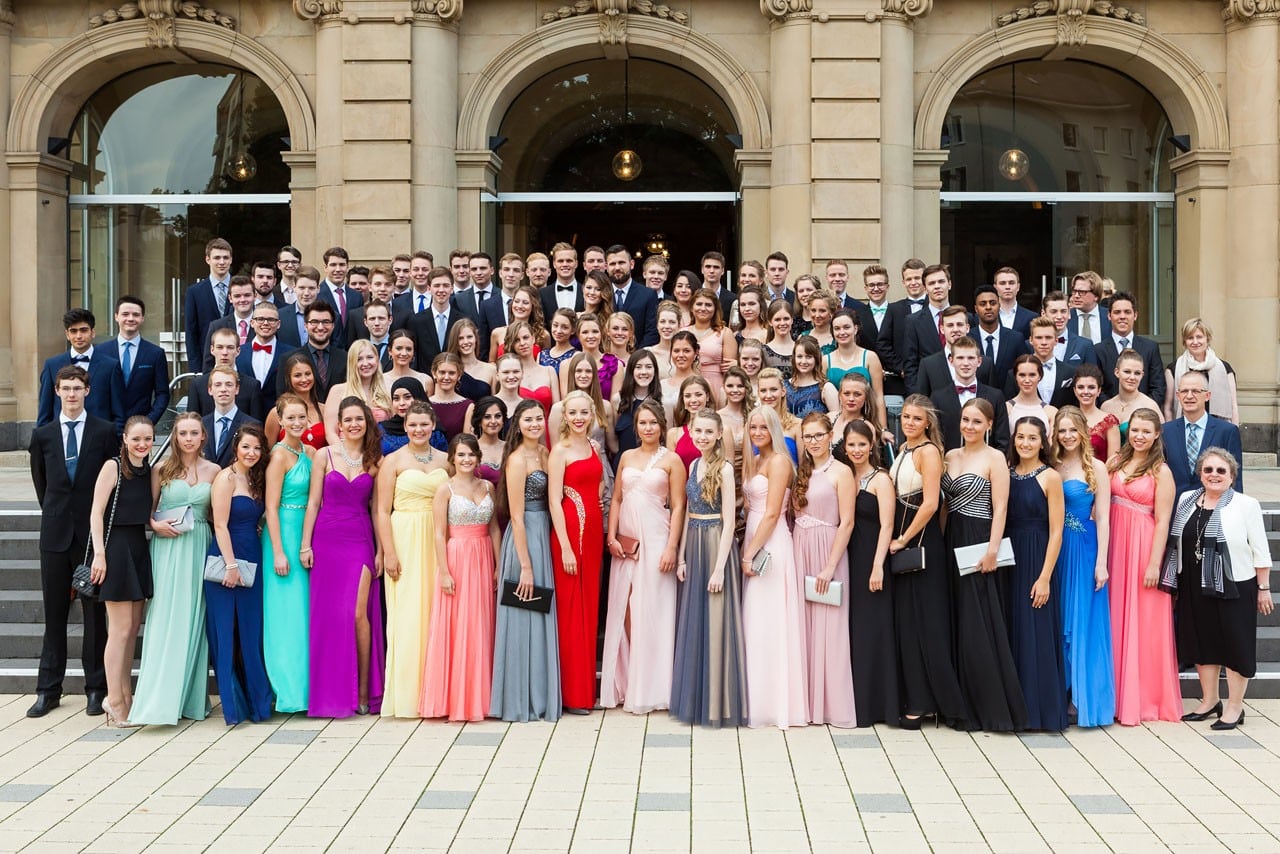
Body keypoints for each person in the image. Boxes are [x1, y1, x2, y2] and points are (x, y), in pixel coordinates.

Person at [27, 366, 115, 718]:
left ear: (87, 391)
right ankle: (49, 689)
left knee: (94, 616)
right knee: (54, 615)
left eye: (77, 388)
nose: (72, 394)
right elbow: (41, 485)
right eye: (65, 388)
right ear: (57, 392)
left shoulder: (105, 431)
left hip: (90, 537)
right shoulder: (43, 435)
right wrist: (56, 515)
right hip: (54, 536)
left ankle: (96, 688)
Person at [1168, 448, 1272, 731]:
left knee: (1235, 645)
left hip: (1234, 585)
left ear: (1232, 476)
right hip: (1192, 583)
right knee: (1202, 642)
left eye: (1220, 471)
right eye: (1208, 470)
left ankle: (1235, 706)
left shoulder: (1245, 504)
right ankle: (1210, 700)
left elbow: (1260, 550)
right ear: (1200, 473)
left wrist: (1263, 588)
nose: (1214, 475)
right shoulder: (1186, 499)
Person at [941, 400, 1026, 732]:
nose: (969, 426)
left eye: (977, 421)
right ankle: (958, 702)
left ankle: (988, 707)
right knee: (957, 620)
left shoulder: (995, 459)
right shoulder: (949, 456)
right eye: (965, 419)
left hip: (980, 539)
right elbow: (946, 506)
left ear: (990, 424)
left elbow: (1001, 507)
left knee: (979, 623)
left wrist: (992, 550)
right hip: (952, 541)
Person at [130, 413, 219, 725]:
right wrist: (155, 525)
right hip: (168, 548)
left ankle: (190, 699)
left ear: (203, 437)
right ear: (175, 437)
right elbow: (149, 512)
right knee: (166, 617)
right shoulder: (161, 470)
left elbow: (217, 516)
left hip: (199, 545)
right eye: (183, 433)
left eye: (194, 433)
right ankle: (159, 700)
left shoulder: (215, 471)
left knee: (194, 617)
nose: (189, 438)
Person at [301, 398, 385, 718]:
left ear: (367, 423)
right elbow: (313, 503)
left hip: (360, 539)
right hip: (327, 538)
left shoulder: (376, 460)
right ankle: (334, 693)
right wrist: (305, 545)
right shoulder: (324, 455)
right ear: (339, 424)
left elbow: (378, 510)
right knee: (331, 618)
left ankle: (363, 691)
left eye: (359, 419)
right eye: (347, 419)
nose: (353, 424)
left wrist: (380, 550)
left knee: (357, 614)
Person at [601, 400, 686, 712]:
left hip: (656, 537)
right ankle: (630, 678)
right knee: (625, 607)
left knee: (653, 608)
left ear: (661, 426)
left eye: (653, 422)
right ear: (635, 427)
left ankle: (655, 684)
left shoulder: (672, 460)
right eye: (642, 423)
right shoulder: (626, 456)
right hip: (626, 542)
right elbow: (618, 499)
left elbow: (678, 506)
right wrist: (610, 536)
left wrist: (672, 548)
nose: (648, 428)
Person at [890, 395, 968, 729]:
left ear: (927, 423)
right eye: (905, 416)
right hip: (903, 538)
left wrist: (903, 538)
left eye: (916, 418)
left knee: (927, 624)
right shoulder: (904, 450)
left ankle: (935, 703)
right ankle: (917, 697)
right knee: (908, 624)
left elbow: (931, 504)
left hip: (920, 543)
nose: (909, 422)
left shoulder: (929, 452)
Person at [670, 409, 747, 727]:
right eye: (697, 431)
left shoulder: (726, 469)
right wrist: (683, 556)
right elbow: (688, 513)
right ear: (690, 431)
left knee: (717, 621)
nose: (702, 437)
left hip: (717, 543)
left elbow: (730, 522)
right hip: (695, 542)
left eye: (708, 432)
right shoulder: (692, 464)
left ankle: (718, 703)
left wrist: (719, 569)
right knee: (696, 619)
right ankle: (696, 697)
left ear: (719, 435)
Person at [420, 435, 501, 721]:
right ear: (452, 458)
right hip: (457, 557)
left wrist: (498, 564)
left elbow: (493, 528)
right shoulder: (445, 490)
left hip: (482, 556)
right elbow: (439, 533)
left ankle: (482, 695)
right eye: (461, 455)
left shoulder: (488, 487)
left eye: (471, 455)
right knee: (459, 625)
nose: (466, 460)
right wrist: (444, 571)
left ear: (478, 458)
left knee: (481, 623)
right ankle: (457, 699)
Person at [1107, 407, 1180, 724]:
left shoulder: (1161, 471)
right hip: (1115, 544)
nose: (1138, 436)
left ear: (1156, 435)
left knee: (1144, 624)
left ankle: (1145, 699)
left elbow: (1164, 520)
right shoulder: (1116, 462)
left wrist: (1155, 563)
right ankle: (1115, 695)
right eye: (1134, 430)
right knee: (1115, 618)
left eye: (1145, 432)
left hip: (1143, 545)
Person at [490, 399, 562, 722]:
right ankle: (521, 699)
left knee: (542, 614)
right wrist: (527, 566)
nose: (535, 424)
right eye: (528, 419)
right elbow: (516, 517)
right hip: (525, 538)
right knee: (525, 615)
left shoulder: (545, 453)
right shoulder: (517, 460)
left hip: (544, 532)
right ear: (517, 423)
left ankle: (542, 692)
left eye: (539, 418)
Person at [375, 400, 447, 717]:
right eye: (413, 424)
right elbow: (381, 510)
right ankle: (407, 695)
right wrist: (389, 551)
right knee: (407, 615)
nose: (418, 429)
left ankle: (436, 693)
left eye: (424, 424)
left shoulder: (447, 460)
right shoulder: (392, 461)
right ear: (405, 427)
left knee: (436, 614)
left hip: (438, 538)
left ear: (433, 427)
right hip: (404, 535)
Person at [742, 406, 808, 728]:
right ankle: (756, 697)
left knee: (770, 620)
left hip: (771, 544)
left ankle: (774, 703)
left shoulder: (780, 461)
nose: (757, 433)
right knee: (756, 621)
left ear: (774, 430)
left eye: (763, 428)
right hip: (755, 539)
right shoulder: (756, 460)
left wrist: (750, 553)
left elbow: (771, 514)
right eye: (753, 427)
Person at [1051, 406, 1116, 728]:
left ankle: (1082, 698)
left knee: (1081, 622)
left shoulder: (1097, 468)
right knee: (1058, 618)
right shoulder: (1051, 464)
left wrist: (1102, 562)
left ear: (1082, 433)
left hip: (1085, 549)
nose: (1066, 436)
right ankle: (1058, 693)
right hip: (1054, 549)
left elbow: (1103, 516)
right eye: (1061, 431)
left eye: (1072, 430)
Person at [87, 416, 154, 727]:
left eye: (148, 439)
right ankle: (113, 699)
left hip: (138, 549)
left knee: (132, 631)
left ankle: (126, 694)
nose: (142, 445)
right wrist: (99, 554)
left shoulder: (148, 471)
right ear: (125, 439)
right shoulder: (112, 466)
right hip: (115, 549)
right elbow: (96, 512)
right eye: (136, 439)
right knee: (120, 630)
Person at [206, 424, 273, 725]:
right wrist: (230, 565)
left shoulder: (256, 477)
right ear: (236, 448)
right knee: (225, 631)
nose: (252, 453)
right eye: (247, 447)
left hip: (253, 555)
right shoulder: (226, 478)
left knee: (250, 630)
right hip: (227, 557)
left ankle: (257, 704)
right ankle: (233, 707)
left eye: (257, 448)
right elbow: (219, 524)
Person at [793, 413, 857, 728]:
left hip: (827, 549)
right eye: (808, 436)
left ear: (831, 435)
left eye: (819, 435)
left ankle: (831, 705)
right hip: (799, 547)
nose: (814, 441)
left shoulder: (841, 472)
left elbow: (847, 521)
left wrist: (831, 565)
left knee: (829, 627)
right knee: (802, 626)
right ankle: (804, 701)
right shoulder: (801, 470)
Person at [1006, 416, 1069, 731]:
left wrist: (1045, 577)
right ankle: (1013, 708)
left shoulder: (1050, 478)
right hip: (1009, 558)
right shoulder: (1006, 474)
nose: (1025, 443)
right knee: (1012, 629)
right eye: (1020, 437)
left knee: (1036, 631)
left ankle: (1039, 711)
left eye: (1032, 438)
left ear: (1042, 441)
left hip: (1037, 557)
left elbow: (1057, 531)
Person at [548, 390, 606, 714]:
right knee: (571, 610)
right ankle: (573, 695)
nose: (580, 418)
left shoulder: (593, 446)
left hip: (594, 530)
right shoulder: (560, 451)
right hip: (572, 532)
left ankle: (587, 691)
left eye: (585, 412)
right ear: (565, 416)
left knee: (589, 607)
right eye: (574, 413)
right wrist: (566, 547)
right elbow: (554, 500)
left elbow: (595, 485)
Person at [840, 419, 900, 727]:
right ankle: (854, 702)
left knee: (873, 630)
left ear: (871, 445)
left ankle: (877, 705)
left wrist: (878, 565)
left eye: (862, 444)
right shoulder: (844, 474)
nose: (856, 450)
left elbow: (888, 525)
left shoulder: (880, 479)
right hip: (847, 558)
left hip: (871, 559)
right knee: (852, 631)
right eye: (851, 444)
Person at [260, 395, 315, 715]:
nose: (296, 423)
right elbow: (269, 506)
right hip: (282, 534)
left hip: (305, 536)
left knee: (304, 615)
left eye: (301, 417)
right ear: (280, 421)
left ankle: (308, 685)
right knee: (286, 616)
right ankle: (288, 690)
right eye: (290, 418)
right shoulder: (278, 455)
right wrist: (279, 552)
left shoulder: (309, 452)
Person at [37, 307, 124, 433]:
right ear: (67, 334)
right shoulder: (52, 365)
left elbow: (119, 413)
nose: (78, 336)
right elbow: (44, 411)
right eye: (73, 331)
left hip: (99, 441)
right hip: (61, 440)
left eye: (83, 330)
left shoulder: (110, 366)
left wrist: (113, 441)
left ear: (92, 332)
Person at [1161, 370, 1244, 496]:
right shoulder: (1165, 431)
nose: (1189, 396)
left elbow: (1235, 479)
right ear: (1177, 395)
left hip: (1214, 508)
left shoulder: (1227, 431)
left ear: (1207, 395)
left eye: (1195, 391)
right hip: (1175, 509)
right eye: (1184, 391)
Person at [99, 295, 170, 423]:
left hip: (141, 429)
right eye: (125, 314)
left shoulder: (155, 353)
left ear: (142, 318)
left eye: (136, 315)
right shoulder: (100, 352)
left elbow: (163, 394)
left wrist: (148, 421)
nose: (130, 318)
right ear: (116, 316)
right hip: (107, 428)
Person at [1094, 291, 1166, 404]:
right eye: (1117, 312)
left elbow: (1158, 388)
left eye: (1127, 312)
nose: (1122, 316)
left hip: (1144, 416)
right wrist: (1113, 411)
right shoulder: (1098, 350)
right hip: (1110, 416)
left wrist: (1141, 411)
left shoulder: (1150, 348)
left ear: (1135, 315)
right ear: (1109, 316)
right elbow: (1097, 387)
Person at [1163, 318, 1239, 424]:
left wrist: (1234, 433)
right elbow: (1168, 408)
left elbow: (1233, 406)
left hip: (1218, 431)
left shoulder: (1225, 369)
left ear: (1207, 339)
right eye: (1190, 338)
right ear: (1184, 341)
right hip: (1184, 429)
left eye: (1199, 337)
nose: (1195, 342)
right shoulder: (1173, 369)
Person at [322, 340, 392, 441]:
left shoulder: (387, 391)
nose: (365, 363)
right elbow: (330, 433)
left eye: (370, 357)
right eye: (359, 359)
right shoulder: (338, 391)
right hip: (345, 451)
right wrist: (345, 455)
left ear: (377, 360)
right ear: (352, 362)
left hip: (380, 452)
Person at [551, 353, 618, 458]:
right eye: (578, 371)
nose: (583, 375)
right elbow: (555, 451)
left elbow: (614, 446)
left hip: (600, 464)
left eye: (588, 371)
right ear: (572, 374)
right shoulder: (558, 409)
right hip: (571, 467)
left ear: (594, 374)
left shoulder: (605, 406)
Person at [183, 237, 234, 370]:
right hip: (206, 362)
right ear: (208, 259)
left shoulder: (243, 289)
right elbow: (191, 332)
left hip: (238, 360)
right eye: (217, 258)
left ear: (231, 260)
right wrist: (195, 369)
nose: (222, 262)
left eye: (225, 257)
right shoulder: (194, 292)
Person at [821, 310, 884, 413]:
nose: (842, 332)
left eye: (846, 327)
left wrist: (883, 428)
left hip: (866, 418)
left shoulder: (870, 357)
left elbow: (878, 397)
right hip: (836, 420)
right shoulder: (825, 361)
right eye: (837, 328)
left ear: (855, 329)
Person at [264, 351, 327, 450]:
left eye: (308, 374)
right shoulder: (276, 413)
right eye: (297, 375)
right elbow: (268, 452)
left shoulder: (324, 409)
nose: (304, 379)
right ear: (289, 378)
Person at [201, 367, 262, 469]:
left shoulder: (253, 425)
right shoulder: (201, 424)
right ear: (210, 390)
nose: (223, 389)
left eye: (229, 384)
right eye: (218, 385)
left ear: (237, 389)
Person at [1100, 349, 1162, 444]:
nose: (1132, 377)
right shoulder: (1106, 406)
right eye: (1127, 372)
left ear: (1142, 375)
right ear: (1117, 372)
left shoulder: (1150, 406)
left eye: (1137, 373)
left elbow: (1162, 444)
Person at [690, 288, 736, 405]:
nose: (703, 308)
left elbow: (730, 370)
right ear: (692, 307)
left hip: (717, 385)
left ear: (715, 308)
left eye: (708, 305)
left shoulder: (725, 333)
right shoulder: (683, 332)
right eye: (699, 304)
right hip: (689, 385)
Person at [612, 349, 660, 459]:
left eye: (648, 367)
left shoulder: (663, 402)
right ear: (631, 371)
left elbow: (666, 440)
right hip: (624, 464)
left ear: (655, 370)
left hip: (653, 465)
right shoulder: (618, 400)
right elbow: (613, 441)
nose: (643, 372)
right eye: (638, 367)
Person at [1073, 364, 1120, 463]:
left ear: (1099, 391)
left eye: (1091, 387)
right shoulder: (1068, 418)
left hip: (1100, 476)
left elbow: (1113, 462)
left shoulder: (1109, 422)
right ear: (1075, 391)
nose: (1086, 391)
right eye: (1081, 387)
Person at [667, 376, 713, 473]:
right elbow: (671, 473)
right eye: (687, 396)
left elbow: (728, 469)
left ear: (707, 396)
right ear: (683, 400)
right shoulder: (673, 434)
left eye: (698, 395)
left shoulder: (723, 431)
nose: (693, 400)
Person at [446, 318, 497, 401]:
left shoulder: (491, 370)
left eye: (469, 337)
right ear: (455, 341)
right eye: (460, 338)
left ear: (476, 338)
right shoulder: (449, 370)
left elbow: (495, 403)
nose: (466, 342)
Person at [658, 331, 702, 425]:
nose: (681, 355)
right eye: (676, 351)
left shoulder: (703, 384)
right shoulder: (661, 385)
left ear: (696, 353)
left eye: (686, 351)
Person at [1006, 354, 1057, 434]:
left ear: (1040, 376)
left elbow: (1052, 445)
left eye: (1032, 375)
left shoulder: (1051, 412)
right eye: (1022, 375)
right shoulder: (1006, 408)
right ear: (1016, 377)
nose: (1027, 380)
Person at [428, 353, 473, 443]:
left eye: (451, 373)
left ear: (459, 375)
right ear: (434, 373)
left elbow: (467, 444)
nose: (446, 377)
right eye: (442, 372)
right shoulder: (424, 404)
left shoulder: (468, 406)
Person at [379, 377, 430, 456]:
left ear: (418, 397)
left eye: (407, 397)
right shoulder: (381, 429)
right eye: (396, 398)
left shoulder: (433, 431)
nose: (401, 403)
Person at [787, 337, 827, 418]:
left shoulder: (825, 388)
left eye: (808, 357)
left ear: (816, 358)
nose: (804, 361)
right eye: (799, 356)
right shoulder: (785, 386)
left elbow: (836, 421)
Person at [762, 299, 797, 381]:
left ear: (792, 320)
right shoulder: (763, 351)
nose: (782, 323)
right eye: (777, 319)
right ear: (770, 322)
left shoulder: (800, 349)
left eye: (786, 319)